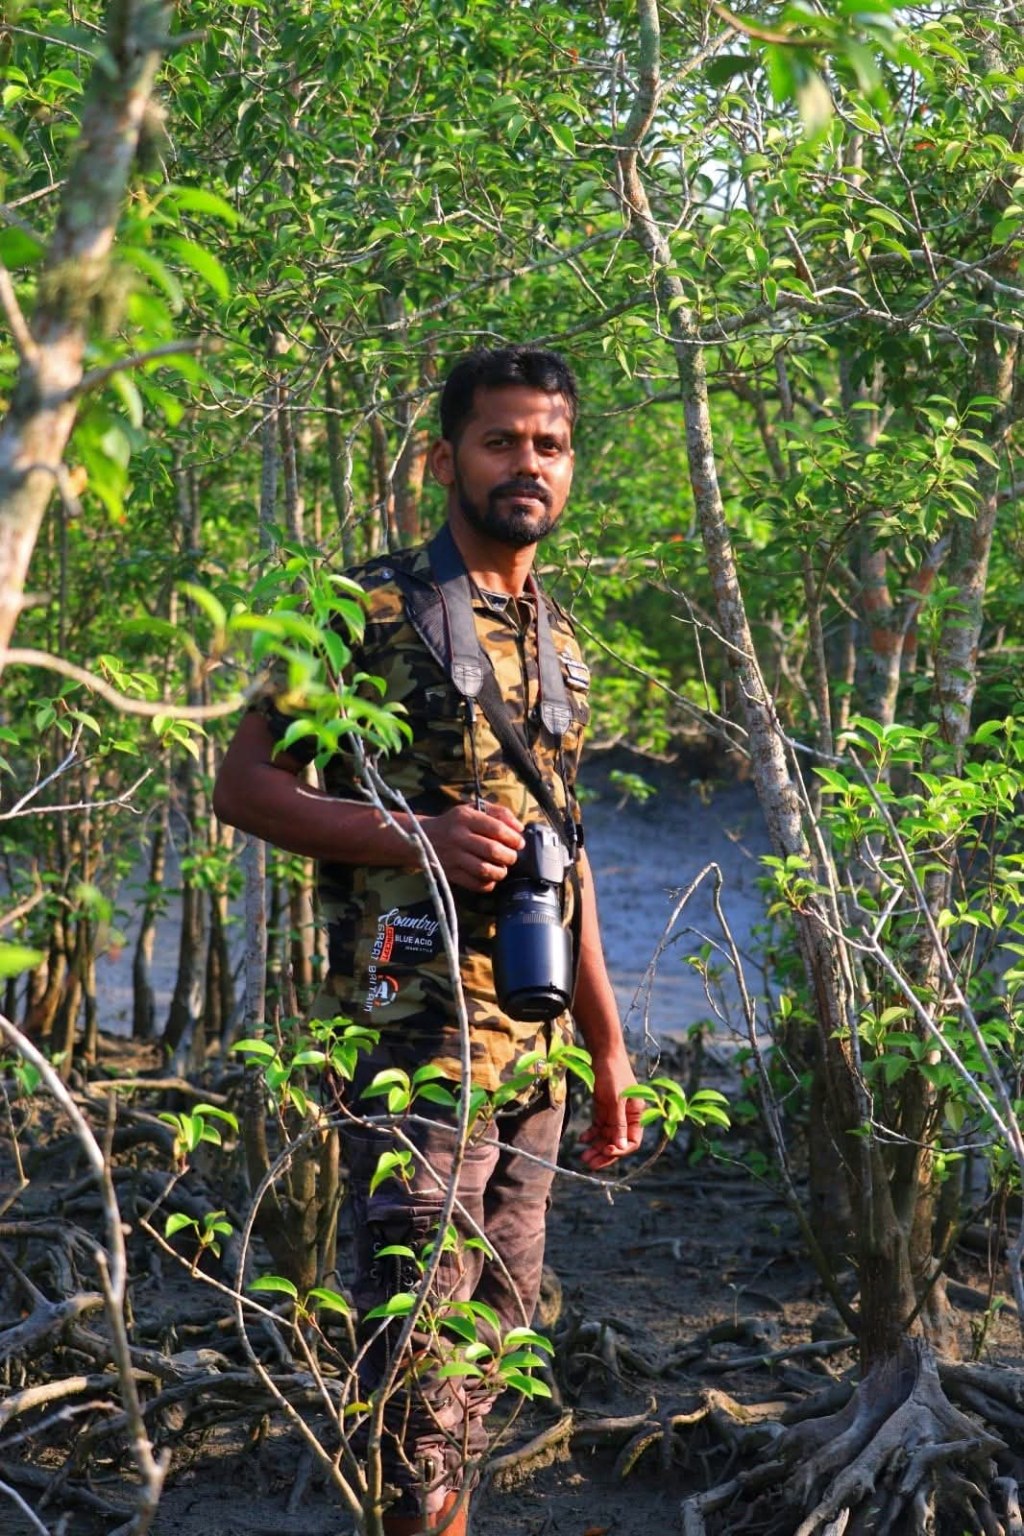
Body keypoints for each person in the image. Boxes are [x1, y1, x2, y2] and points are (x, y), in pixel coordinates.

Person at [214, 345, 642, 1534]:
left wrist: (608, 1049)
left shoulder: (560, 645)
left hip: (539, 1057)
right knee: (410, 1362)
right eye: (502, 441)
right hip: (417, 1047)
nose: (527, 465)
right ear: (444, 458)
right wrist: (411, 834)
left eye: (548, 445)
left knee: (494, 1344)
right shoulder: (365, 609)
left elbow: (572, 855)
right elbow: (241, 787)